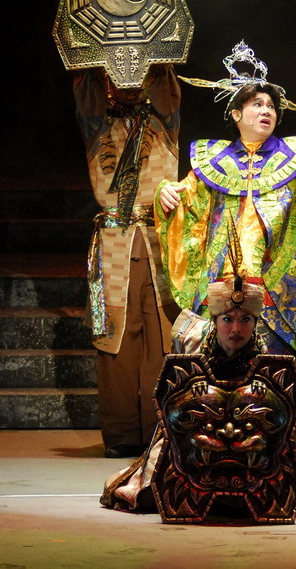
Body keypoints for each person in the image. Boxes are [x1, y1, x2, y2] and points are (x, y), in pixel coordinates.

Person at [156, 41, 296, 354]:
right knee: (220, 362)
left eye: (271, 106)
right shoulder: (213, 159)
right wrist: (166, 192)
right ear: (236, 113)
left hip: (279, 279)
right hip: (223, 277)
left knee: (274, 365)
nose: (267, 110)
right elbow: (188, 200)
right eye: (257, 104)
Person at [73, 64, 182, 459]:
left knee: (163, 339)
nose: (130, 79)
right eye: (120, 70)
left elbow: (166, 83)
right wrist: (93, 53)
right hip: (114, 244)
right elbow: (86, 88)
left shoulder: (164, 121)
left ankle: (159, 430)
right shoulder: (97, 125)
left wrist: (155, 53)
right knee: (115, 340)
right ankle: (120, 434)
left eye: (138, 70)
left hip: (159, 241)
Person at [101, 275, 266, 512]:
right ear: (215, 320)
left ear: (255, 322)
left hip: (239, 433)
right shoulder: (193, 342)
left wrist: (260, 393)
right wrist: (190, 392)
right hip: (192, 434)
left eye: (245, 320)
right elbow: (170, 402)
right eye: (227, 319)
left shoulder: (261, 353)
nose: (236, 329)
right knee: (154, 496)